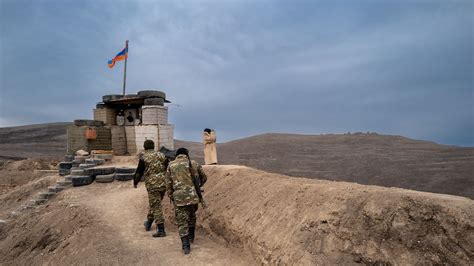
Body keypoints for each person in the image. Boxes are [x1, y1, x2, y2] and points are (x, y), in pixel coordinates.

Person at [165, 148, 207, 254]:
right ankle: (191, 236)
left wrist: (171, 195)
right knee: (192, 216)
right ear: (186, 155)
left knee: (182, 221)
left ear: (177, 155)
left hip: (179, 198)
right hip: (193, 196)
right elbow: (204, 177)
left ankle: (185, 245)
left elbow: (168, 183)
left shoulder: (171, 165)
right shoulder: (193, 163)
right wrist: (197, 186)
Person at [133, 140, 168, 237]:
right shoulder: (162, 155)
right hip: (163, 184)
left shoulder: (144, 157)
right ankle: (148, 222)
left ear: (145, 147)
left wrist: (135, 182)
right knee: (155, 203)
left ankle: (161, 230)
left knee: (156, 206)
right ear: (153, 146)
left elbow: (139, 172)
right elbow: (167, 167)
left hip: (152, 185)